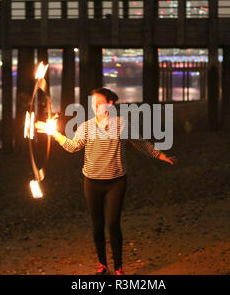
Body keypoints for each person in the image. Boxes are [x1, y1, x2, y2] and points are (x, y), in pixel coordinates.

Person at [36, 87, 176, 275]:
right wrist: (55, 134)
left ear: (110, 104)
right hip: (92, 182)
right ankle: (103, 266)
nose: (95, 106)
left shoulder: (122, 125)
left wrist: (160, 155)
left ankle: (118, 268)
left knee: (113, 223)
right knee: (97, 225)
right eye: (93, 103)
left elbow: (140, 142)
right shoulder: (86, 126)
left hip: (116, 182)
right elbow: (73, 146)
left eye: (99, 103)